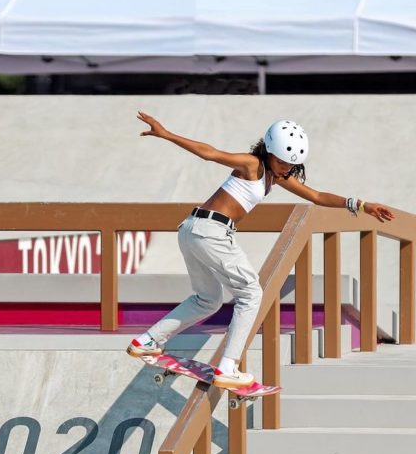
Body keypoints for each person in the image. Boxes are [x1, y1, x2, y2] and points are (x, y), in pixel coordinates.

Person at [127, 113, 395, 388]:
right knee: (251, 293)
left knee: (207, 300)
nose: (285, 169)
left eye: (291, 165)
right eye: (281, 162)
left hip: (193, 230)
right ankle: (228, 367)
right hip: (211, 231)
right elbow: (210, 153)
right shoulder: (252, 164)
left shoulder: (276, 176)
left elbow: (316, 196)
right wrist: (167, 134)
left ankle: (147, 341)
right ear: (269, 151)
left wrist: (362, 205)